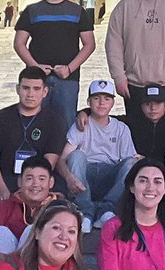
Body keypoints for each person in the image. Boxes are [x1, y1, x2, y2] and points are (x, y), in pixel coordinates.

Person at [14, 0, 97, 134]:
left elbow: (89, 44)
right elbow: (19, 43)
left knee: (65, 124)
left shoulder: (77, 11)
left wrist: (69, 68)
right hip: (37, 79)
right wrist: (35, 67)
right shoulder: (32, 11)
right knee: (34, 122)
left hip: (68, 79)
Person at [58, 78, 137, 231]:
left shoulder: (121, 128)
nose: (101, 103)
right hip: (84, 176)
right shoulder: (81, 124)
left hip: (109, 174)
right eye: (96, 98)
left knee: (131, 163)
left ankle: (107, 210)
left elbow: (130, 158)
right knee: (76, 155)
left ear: (113, 103)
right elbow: (62, 158)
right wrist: (68, 177)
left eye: (107, 99)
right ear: (89, 102)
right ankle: (85, 212)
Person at [0, 67, 66, 203]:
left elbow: (50, 161)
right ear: (17, 89)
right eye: (26, 88)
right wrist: (1, 187)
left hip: (37, 180)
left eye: (36, 89)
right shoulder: (0, 118)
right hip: (6, 178)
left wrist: (31, 188)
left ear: (45, 92)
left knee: (59, 195)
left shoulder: (54, 121)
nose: (30, 94)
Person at [0, 156, 63, 269]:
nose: (35, 184)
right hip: (5, 266)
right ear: (20, 181)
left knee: (32, 231)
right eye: (29, 178)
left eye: (42, 179)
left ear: (51, 182)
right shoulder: (5, 206)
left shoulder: (60, 209)